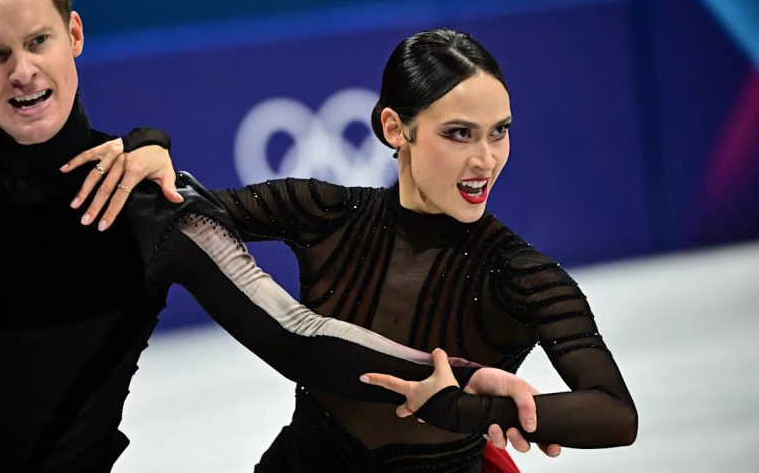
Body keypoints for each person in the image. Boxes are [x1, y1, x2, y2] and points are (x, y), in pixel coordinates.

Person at [0, 0, 544, 471]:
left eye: (37, 40)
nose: (22, 70)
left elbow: (299, 333)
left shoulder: (152, 207)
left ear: (73, 34)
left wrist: (458, 374)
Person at [78, 28, 638, 471]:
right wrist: (149, 145)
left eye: (499, 132)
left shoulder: (519, 273)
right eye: (459, 133)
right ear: (397, 128)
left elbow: (615, 413)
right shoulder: (326, 214)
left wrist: (467, 409)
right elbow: (187, 212)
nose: (486, 159)